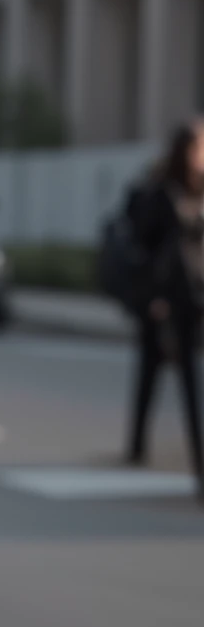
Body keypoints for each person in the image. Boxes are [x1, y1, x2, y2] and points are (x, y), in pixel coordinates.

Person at [123, 117, 204, 489]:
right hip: (169, 302)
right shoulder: (160, 193)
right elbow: (144, 249)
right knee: (161, 377)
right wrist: (154, 298)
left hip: (194, 299)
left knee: (187, 381)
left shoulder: (198, 191)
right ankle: (138, 444)